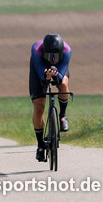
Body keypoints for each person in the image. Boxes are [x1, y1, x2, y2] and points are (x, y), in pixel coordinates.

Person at [29, 33, 71, 162]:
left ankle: (62, 115)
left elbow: (61, 74)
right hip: (40, 67)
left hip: (59, 68)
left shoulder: (67, 50)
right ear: (44, 52)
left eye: (56, 56)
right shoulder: (36, 49)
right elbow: (42, 76)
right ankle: (40, 145)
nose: (53, 59)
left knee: (63, 83)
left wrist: (55, 74)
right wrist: (45, 77)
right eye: (50, 56)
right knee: (39, 106)